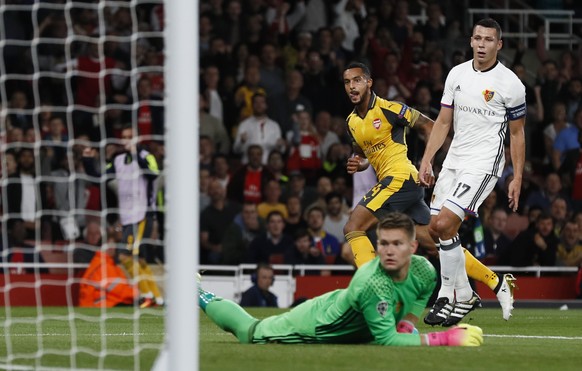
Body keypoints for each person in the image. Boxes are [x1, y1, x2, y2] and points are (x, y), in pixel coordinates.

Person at [198, 212, 484, 347]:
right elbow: (385, 340)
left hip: (350, 324)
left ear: (413, 247)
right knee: (250, 332)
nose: (387, 250)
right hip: (316, 326)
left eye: (396, 244)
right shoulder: (372, 281)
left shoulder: (424, 270)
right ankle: (196, 292)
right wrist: (443, 338)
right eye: (382, 243)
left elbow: (421, 295)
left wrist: (407, 323)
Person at [418, 18, 525, 326]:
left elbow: (517, 135)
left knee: (446, 223)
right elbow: (443, 122)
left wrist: (517, 176)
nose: (481, 44)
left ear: (498, 45)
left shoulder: (511, 84)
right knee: (434, 231)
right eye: (477, 38)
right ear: (470, 41)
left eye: (488, 40)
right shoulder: (457, 74)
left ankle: (446, 296)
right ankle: (467, 292)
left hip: (484, 163)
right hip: (454, 161)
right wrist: (427, 159)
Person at [82, 125, 164, 307]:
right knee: (139, 259)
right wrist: (88, 161)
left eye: (130, 137)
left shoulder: (145, 156)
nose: (127, 140)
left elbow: (153, 174)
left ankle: (148, 294)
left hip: (144, 214)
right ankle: (157, 297)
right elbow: (99, 178)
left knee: (125, 257)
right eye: (124, 137)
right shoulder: (118, 160)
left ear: (138, 139)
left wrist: (136, 154)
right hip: (126, 216)